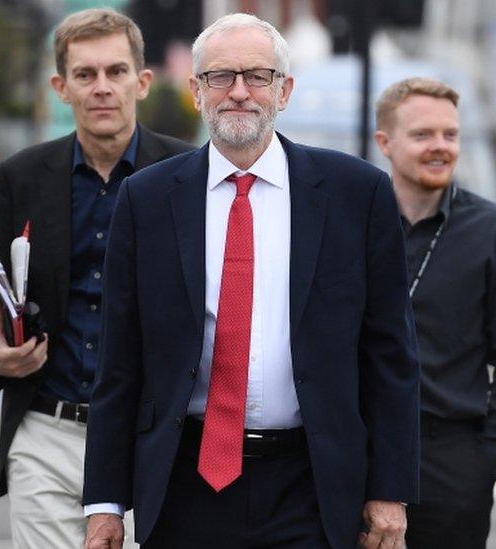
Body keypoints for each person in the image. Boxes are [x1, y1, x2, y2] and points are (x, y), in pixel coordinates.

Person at [81, 13, 419, 549]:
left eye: (258, 77)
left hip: (311, 482)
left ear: (284, 91)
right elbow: (120, 359)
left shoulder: (357, 194)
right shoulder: (146, 200)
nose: (239, 92)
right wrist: (104, 503)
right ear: (196, 91)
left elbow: (390, 356)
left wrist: (390, 491)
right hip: (184, 483)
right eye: (220, 77)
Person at [0, 8, 193, 547]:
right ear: (60, 87)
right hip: (46, 430)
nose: (101, 88)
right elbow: (1, 293)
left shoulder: (189, 173)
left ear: (142, 82)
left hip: (150, 434)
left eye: (116, 72)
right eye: (84, 75)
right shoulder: (22, 175)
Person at [373, 77, 496, 548]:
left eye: (450, 134)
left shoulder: (494, 230)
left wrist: (489, 455)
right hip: (361, 448)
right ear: (384, 142)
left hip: (453, 457)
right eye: (423, 134)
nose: (440, 147)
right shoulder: (354, 222)